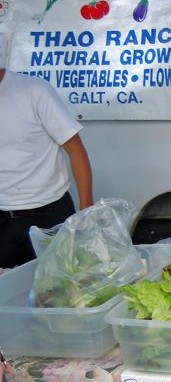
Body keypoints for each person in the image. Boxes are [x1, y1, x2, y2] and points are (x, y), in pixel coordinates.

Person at [0, 68, 93, 268]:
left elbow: (75, 150)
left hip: (50, 215)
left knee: (60, 288)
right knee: (7, 292)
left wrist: (86, 211)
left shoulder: (34, 91)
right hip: (4, 220)